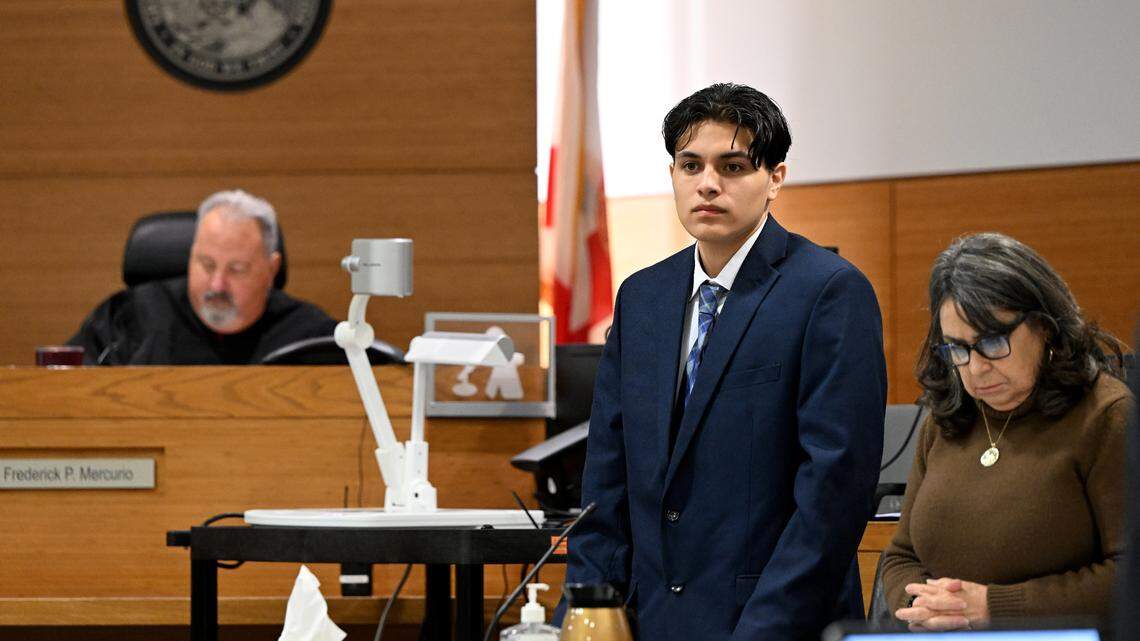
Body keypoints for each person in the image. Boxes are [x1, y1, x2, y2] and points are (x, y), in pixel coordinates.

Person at [561, 83, 888, 640]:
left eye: (732, 166)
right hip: (652, 621)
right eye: (691, 165)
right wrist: (590, 614)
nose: (707, 183)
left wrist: (763, 630)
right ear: (673, 175)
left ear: (775, 178)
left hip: (775, 623)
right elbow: (607, 477)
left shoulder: (829, 292)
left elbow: (832, 497)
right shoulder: (642, 297)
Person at [881, 233, 1131, 631]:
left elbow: (1129, 577)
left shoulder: (1106, 416)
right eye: (956, 349)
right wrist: (920, 604)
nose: (975, 369)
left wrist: (994, 607)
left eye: (993, 342)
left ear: (1045, 328)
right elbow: (899, 556)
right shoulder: (946, 417)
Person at [68, 189, 338, 365]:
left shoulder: (310, 338)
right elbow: (63, 388)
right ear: (190, 255)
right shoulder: (129, 318)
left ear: (271, 269)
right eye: (207, 265)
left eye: (237, 269)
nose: (217, 284)